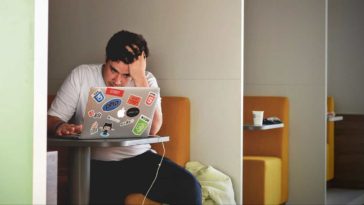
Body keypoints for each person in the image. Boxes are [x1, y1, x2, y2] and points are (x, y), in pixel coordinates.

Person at [47, 30, 202, 204]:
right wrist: (61, 126)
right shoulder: (82, 75)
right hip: (95, 164)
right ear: (106, 60)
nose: (118, 80)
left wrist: (140, 78)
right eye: (113, 70)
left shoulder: (147, 80)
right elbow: (52, 119)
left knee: (190, 187)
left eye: (126, 74)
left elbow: (153, 128)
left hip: (139, 160)